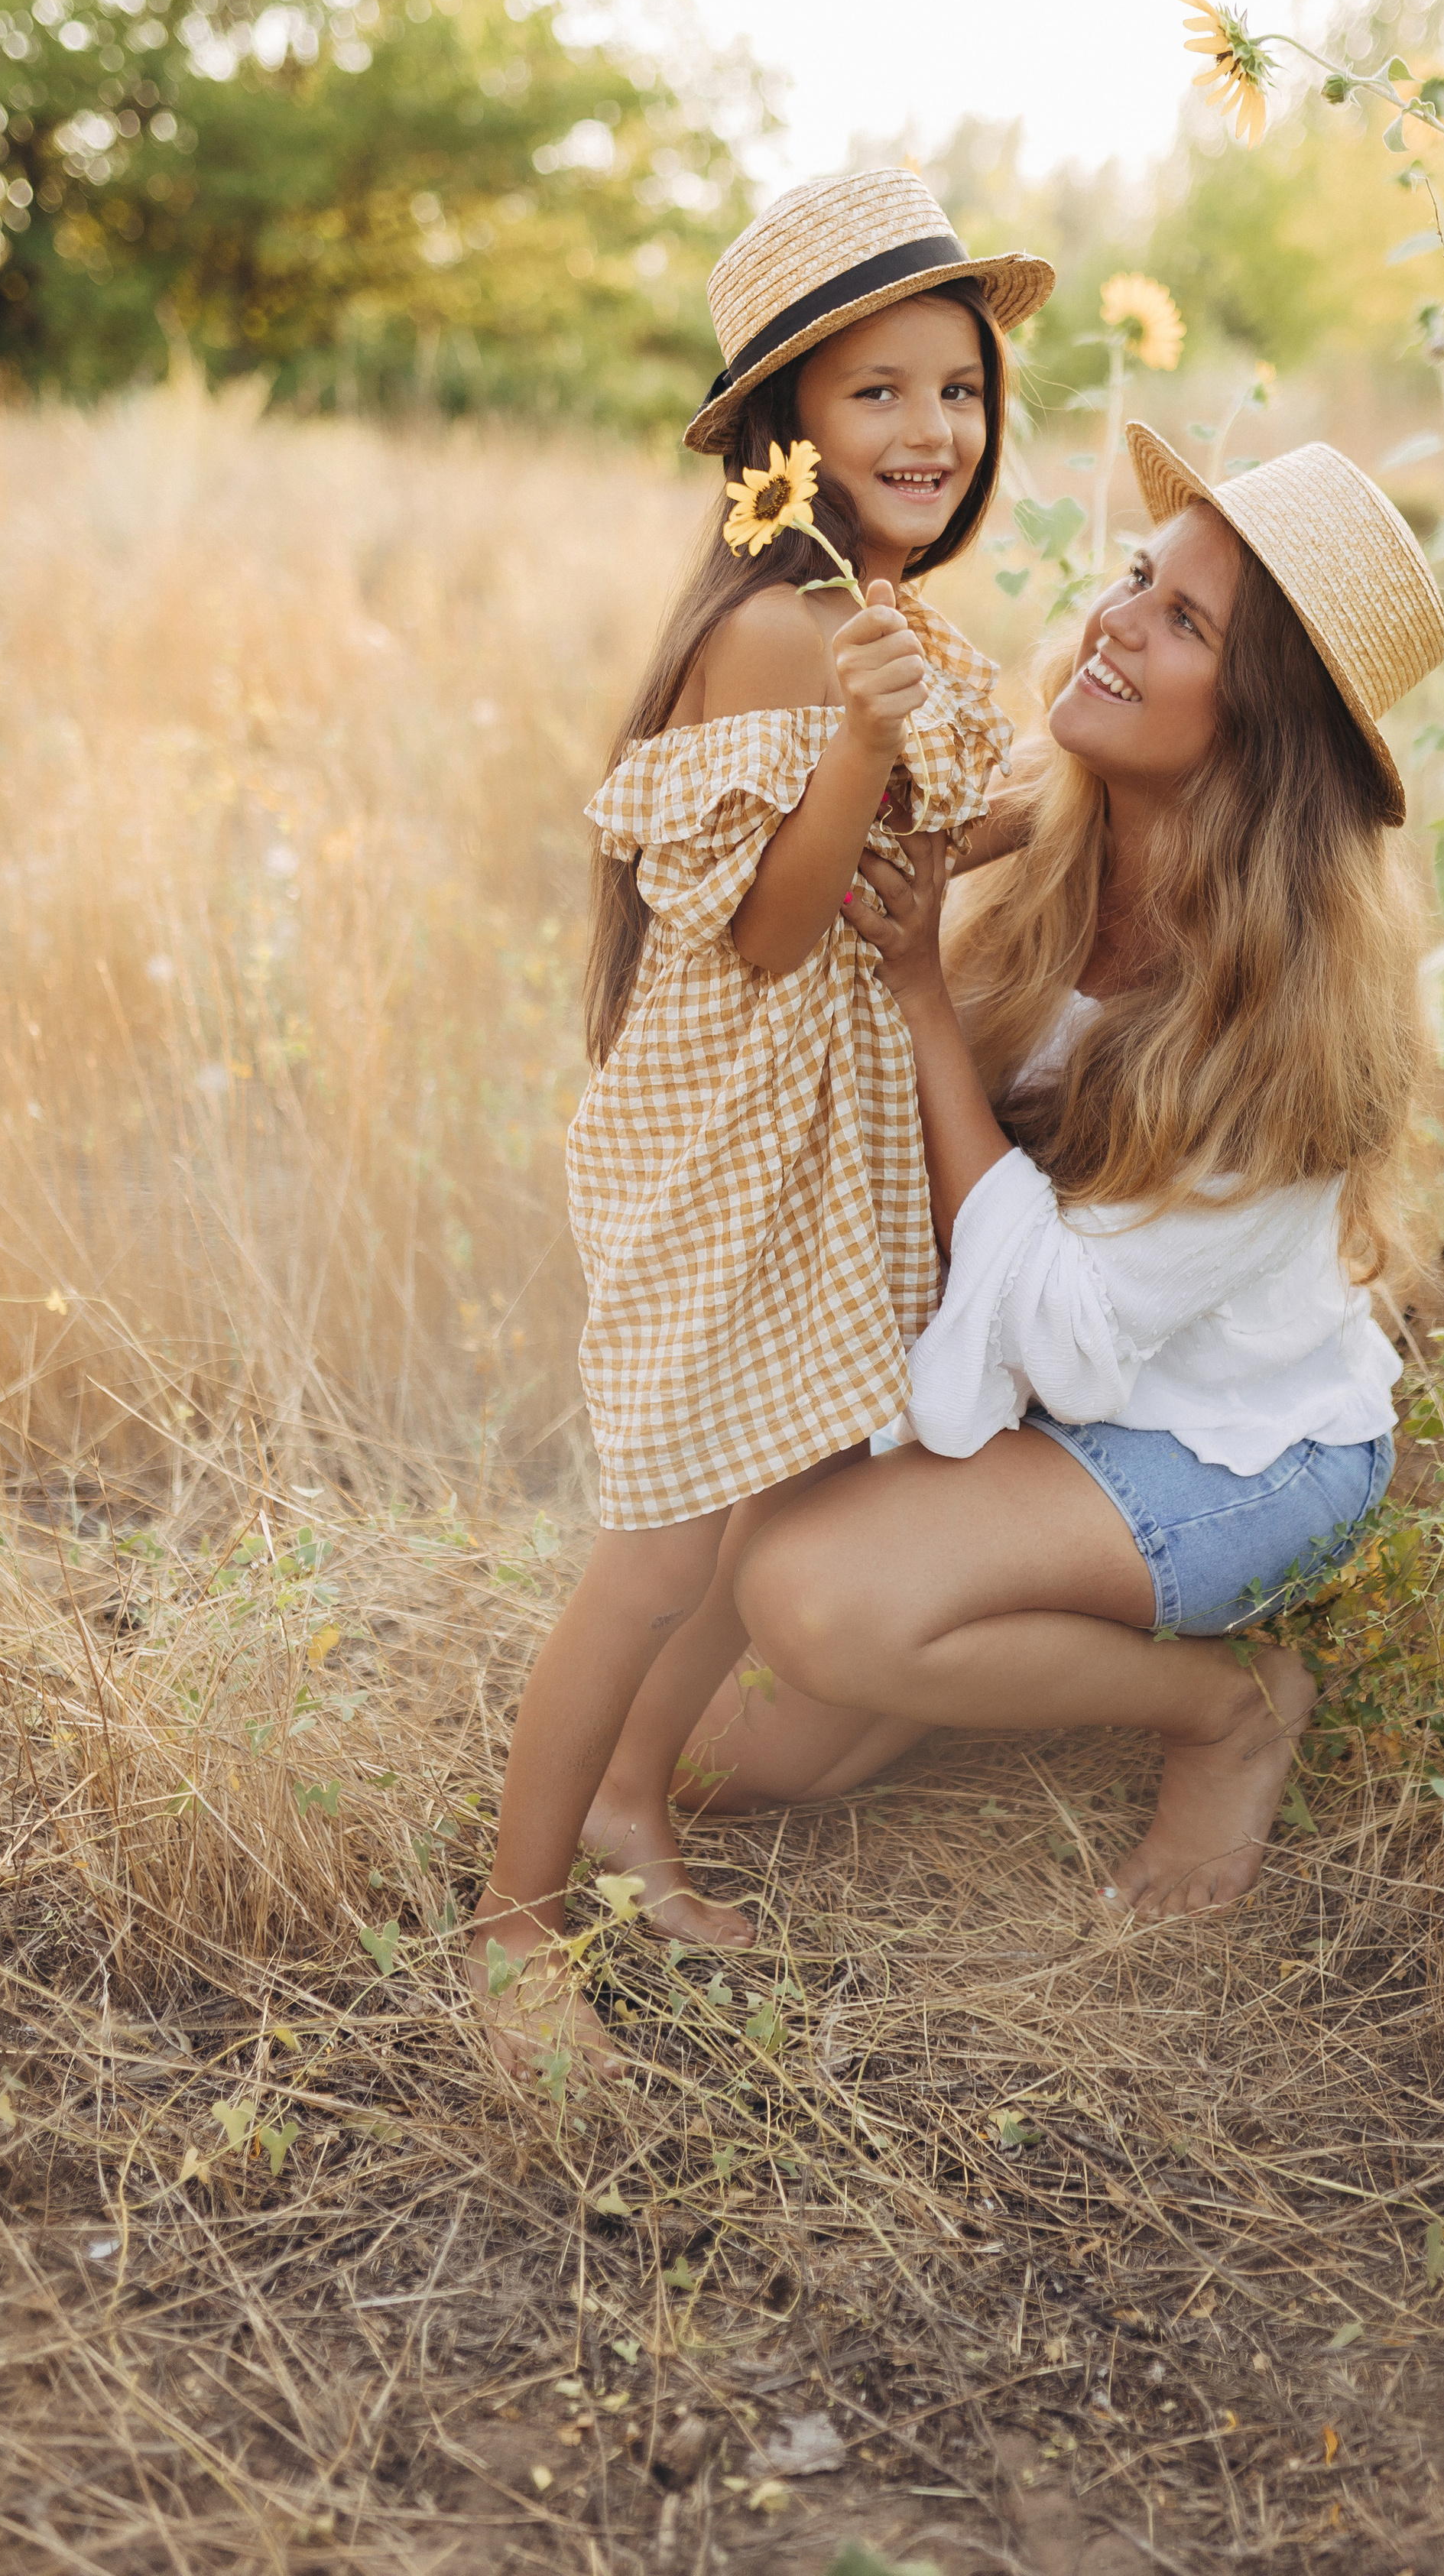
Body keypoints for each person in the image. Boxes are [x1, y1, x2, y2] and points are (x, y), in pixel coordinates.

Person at [608, 420, 1444, 1924]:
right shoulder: (1050, 825)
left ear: (1262, 730)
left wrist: (924, 996)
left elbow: (1068, 1327)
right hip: (1044, 1383)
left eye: (1182, 623)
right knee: (725, 1761)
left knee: (815, 1600)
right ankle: (964, 1619)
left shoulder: (1293, 1015)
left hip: (1217, 1442)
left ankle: (1228, 1706)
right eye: (1136, 577)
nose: (1114, 621)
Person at [469, 171, 1053, 2078]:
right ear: (783, 426)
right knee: (658, 1549)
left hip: (817, 1138)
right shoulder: (784, 632)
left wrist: (1043, 804)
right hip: (726, 1147)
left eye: (955, 389)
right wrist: (872, 742)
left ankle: (630, 1807)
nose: (929, 429)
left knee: (764, 1504)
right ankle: (509, 1932)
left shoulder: (870, 615)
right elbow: (772, 926)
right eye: (875, 392)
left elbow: (897, 851)